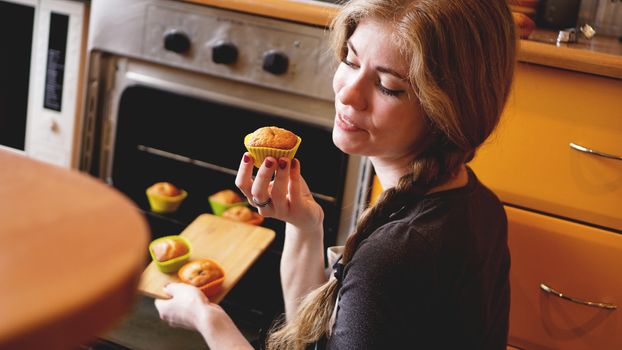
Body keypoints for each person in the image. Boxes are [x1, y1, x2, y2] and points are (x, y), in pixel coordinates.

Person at [155, 0, 517, 348]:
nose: (348, 93)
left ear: (447, 110)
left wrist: (209, 321)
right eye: (350, 60)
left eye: (388, 86)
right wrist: (305, 225)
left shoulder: (392, 259)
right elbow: (309, 335)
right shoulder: (479, 204)